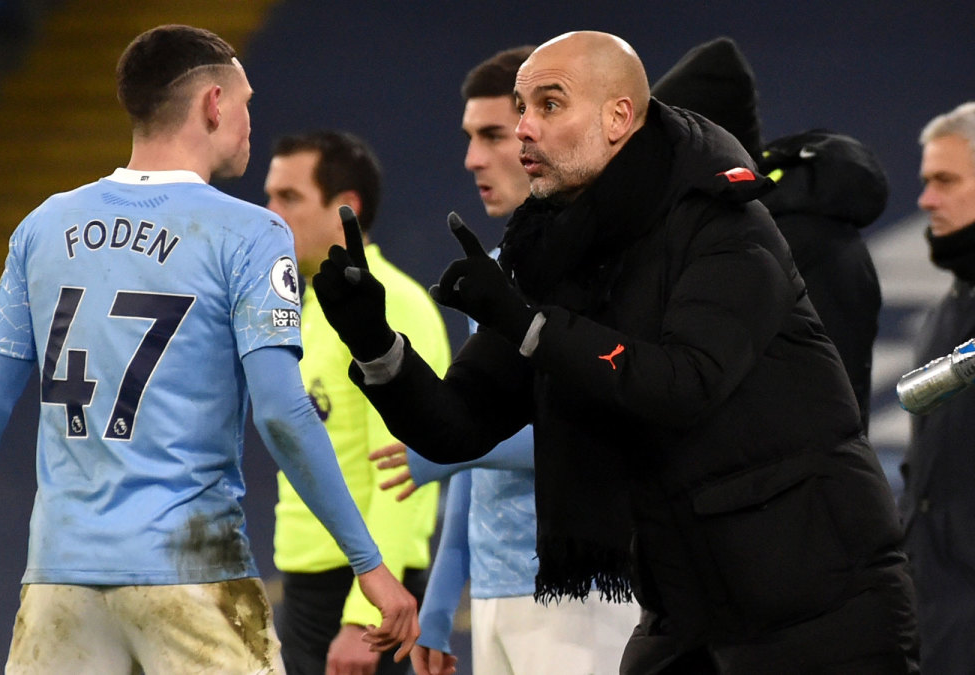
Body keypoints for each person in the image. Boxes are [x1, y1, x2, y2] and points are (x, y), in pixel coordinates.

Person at [311, 30, 918, 674]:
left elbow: (683, 385)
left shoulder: (722, 223)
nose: (523, 129)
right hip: (687, 603)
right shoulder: (550, 250)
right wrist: (374, 342)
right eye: (520, 108)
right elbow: (455, 426)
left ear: (618, 117)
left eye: (548, 105)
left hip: (820, 597)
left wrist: (528, 323)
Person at [0, 24, 419, 673]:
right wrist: (368, 562)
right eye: (245, 101)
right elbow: (282, 412)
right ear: (213, 105)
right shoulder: (250, 234)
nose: (251, 119)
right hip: (191, 573)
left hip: (60, 580)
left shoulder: (42, 227)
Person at [372, 46, 637, 675]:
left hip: (588, 587)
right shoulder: (494, 272)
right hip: (497, 592)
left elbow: (608, 425)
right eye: (474, 136)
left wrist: (455, 448)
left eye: (494, 134)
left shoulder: (607, 262)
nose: (475, 157)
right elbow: (480, 439)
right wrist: (442, 601)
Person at [262, 130, 450, 675]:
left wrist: (361, 618)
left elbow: (405, 476)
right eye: (270, 196)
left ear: (346, 207)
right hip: (307, 584)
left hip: (363, 594)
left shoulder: (393, 308)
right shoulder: (311, 308)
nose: (270, 214)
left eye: (289, 198)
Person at [651, 36, 885, 430]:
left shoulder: (806, 243)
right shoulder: (745, 228)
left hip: (795, 486)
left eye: (667, 145)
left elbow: (817, 405)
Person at [899, 101, 975, 674]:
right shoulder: (946, 312)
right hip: (930, 619)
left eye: (945, 181)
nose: (926, 200)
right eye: (927, 181)